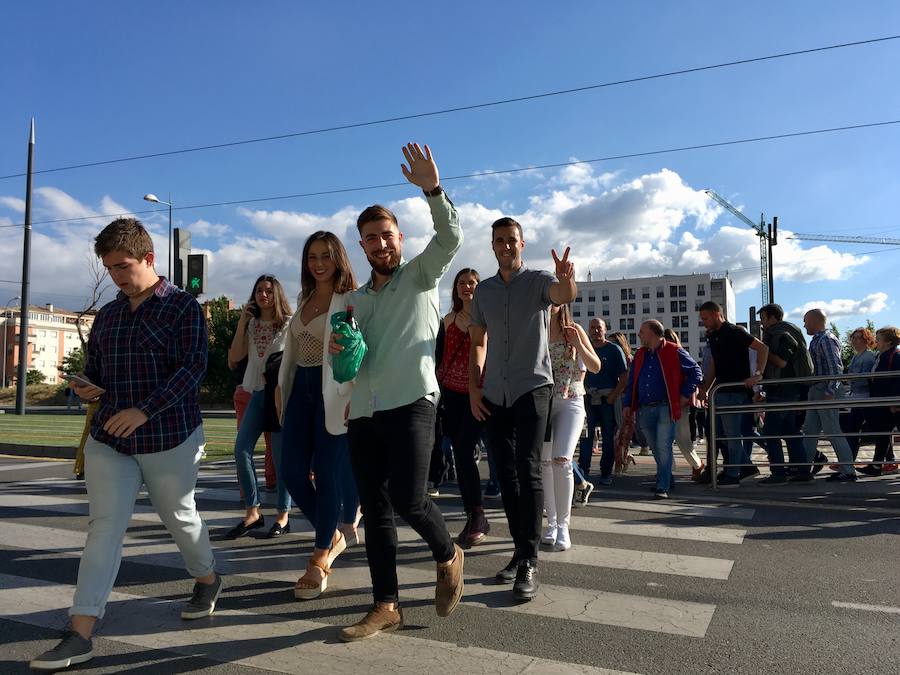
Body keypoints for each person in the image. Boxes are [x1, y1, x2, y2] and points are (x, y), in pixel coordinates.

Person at [30, 218, 219, 671]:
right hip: (110, 437)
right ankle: (80, 633)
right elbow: (94, 367)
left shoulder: (181, 307)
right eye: (109, 267)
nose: (116, 275)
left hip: (168, 435)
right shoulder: (110, 314)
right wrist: (84, 386)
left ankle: (207, 579)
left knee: (179, 516)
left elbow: (192, 369)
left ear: (149, 259)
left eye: (123, 265)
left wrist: (145, 410)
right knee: (104, 529)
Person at [333, 143, 464, 642]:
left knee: (410, 498)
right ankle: (386, 605)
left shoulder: (420, 276)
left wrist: (433, 189)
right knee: (377, 508)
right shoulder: (356, 300)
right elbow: (348, 364)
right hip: (364, 410)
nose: (381, 245)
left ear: (399, 238)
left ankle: (448, 553)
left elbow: (450, 236)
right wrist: (343, 350)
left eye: (387, 236)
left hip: (413, 400)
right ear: (362, 248)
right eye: (371, 240)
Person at [468, 215, 576, 602]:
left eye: (512, 240)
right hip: (494, 391)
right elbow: (478, 342)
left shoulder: (539, 281)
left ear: (522, 243)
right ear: (493, 245)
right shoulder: (484, 292)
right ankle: (519, 549)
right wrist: (473, 387)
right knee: (505, 473)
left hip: (534, 387)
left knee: (529, 466)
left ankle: (530, 558)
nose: (506, 246)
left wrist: (566, 278)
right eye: (499, 240)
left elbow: (563, 296)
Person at [276, 231, 358, 599]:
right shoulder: (304, 298)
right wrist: (282, 391)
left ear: (338, 258)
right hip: (299, 393)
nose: (319, 263)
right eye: (312, 257)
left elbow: (358, 352)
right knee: (291, 472)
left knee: (327, 475)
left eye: (326, 255)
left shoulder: (351, 301)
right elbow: (292, 355)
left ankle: (320, 554)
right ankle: (333, 532)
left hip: (334, 394)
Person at [225, 275, 293, 538]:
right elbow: (234, 358)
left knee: (280, 459)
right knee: (241, 449)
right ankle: (253, 512)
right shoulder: (251, 325)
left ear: (276, 294)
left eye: (268, 290)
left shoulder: (289, 323)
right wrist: (242, 321)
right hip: (255, 393)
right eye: (259, 291)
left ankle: (283, 516)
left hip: (279, 396)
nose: (263, 295)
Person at [436, 267, 491, 547]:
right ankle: (474, 513)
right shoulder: (448, 319)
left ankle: (479, 513)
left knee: (471, 448)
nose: (467, 287)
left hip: (480, 393)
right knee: (461, 453)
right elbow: (442, 356)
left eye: (472, 283)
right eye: (462, 283)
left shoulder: (487, 318)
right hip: (452, 395)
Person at [541, 303, 599, 549]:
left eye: (555, 298)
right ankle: (551, 523)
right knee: (544, 463)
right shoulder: (537, 329)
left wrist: (578, 345)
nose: (550, 303)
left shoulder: (573, 330)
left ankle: (563, 526)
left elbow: (595, 366)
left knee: (562, 460)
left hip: (571, 400)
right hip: (542, 403)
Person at [623, 321, 703, 499]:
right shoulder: (640, 354)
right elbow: (632, 381)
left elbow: (696, 372)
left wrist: (684, 394)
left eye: (642, 332)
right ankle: (667, 479)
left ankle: (663, 485)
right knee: (655, 447)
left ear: (652, 333)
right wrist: (628, 404)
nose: (639, 335)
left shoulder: (674, 350)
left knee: (663, 446)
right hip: (645, 407)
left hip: (666, 406)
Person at [697, 301, 768, 487]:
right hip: (720, 390)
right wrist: (705, 389)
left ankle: (733, 473)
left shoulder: (736, 332)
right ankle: (743, 467)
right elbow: (714, 363)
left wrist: (758, 375)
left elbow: (762, 348)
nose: (703, 322)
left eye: (705, 318)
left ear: (716, 315)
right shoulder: (713, 336)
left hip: (735, 391)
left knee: (731, 434)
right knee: (718, 433)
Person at [756, 304, 814, 483]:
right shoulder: (788, 330)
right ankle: (803, 472)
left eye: (763, 318)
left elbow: (781, 362)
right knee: (791, 431)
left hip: (783, 390)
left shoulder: (781, 334)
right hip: (788, 390)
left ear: (772, 317)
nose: (762, 323)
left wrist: (763, 351)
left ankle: (779, 473)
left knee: (771, 432)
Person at [802, 309, 856, 481]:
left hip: (824, 390)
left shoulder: (825, 339)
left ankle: (848, 470)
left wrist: (830, 391)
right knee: (811, 430)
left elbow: (836, 368)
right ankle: (805, 468)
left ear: (813, 321)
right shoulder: (821, 339)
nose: (804, 325)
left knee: (831, 430)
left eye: (806, 321)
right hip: (820, 390)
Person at [579, 319, 627, 488]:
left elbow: (625, 376)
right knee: (586, 437)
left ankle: (606, 472)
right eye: (592, 328)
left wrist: (614, 395)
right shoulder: (584, 348)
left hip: (608, 398)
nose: (595, 331)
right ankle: (582, 472)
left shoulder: (614, 349)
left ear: (605, 329)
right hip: (588, 398)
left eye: (599, 327)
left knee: (608, 438)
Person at [662, 328, 705, 479]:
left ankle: (697, 464)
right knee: (666, 439)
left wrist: (684, 395)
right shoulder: (671, 352)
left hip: (678, 401)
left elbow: (696, 372)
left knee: (681, 438)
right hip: (669, 401)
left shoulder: (677, 353)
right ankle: (667, 470)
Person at [232, 354, 277, 492]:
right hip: (252, 387)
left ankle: (246, 491)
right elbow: (233, 358)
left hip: (263, 386)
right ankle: (268, 483)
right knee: (268, 445)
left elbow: (232, 361)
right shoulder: (249, 333)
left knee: (273, 445)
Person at [859, 326, 900, 476]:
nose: (876, 341)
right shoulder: (881, 356)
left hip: (891, 402)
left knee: (883, 433)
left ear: (888, 341)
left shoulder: (895, 356)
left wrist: (895, 400)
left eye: (879, 338)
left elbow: (897, 379)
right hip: (883, 401)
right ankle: (877, 466)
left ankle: (878, 466)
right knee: (882, 433)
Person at [607, 331, 650, 456]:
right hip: (614, 394)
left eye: (614, 343)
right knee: (620, 425)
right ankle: (622, 451)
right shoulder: (611, 359)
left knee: (631, 424)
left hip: (626, 394)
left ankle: (641, 446)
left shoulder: (629, 359)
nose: (611, 345)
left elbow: (630, 378)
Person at [842, 327, 878, 460]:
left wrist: (849, 378)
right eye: (854, 338)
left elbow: (865, 379)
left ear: (866, 340)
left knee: (854, 428)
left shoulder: (868, 357)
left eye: (859, 338)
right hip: (857, 397)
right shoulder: (856, 356)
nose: (855, 341)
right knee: (863, 428)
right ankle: (848, 460)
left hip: (864, 397)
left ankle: (848, 460)